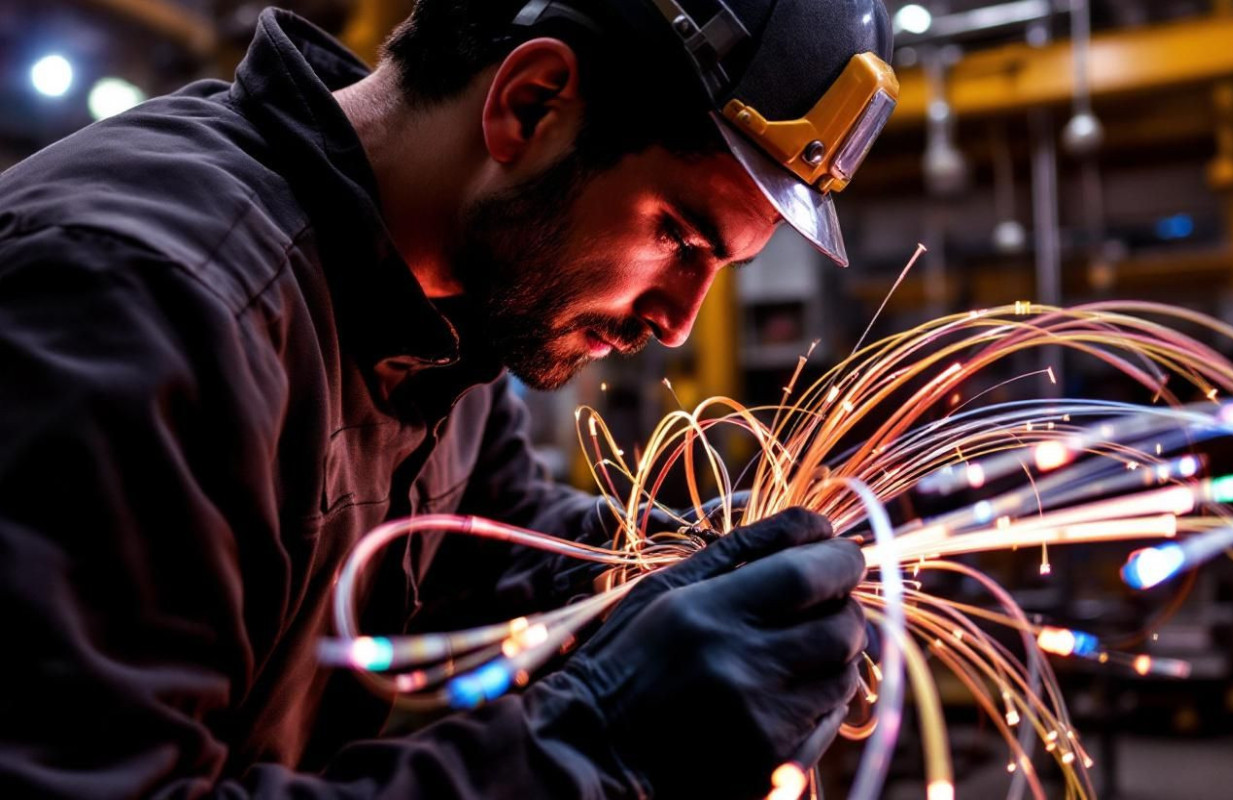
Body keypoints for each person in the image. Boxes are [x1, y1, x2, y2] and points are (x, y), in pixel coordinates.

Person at [0, 0, 896, 797]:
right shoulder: (142, 304)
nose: (676, 323)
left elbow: (485, 536)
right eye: (678, 236)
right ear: (532, 103)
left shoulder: (438, 311)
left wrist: (656, 569)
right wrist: (597, 741)